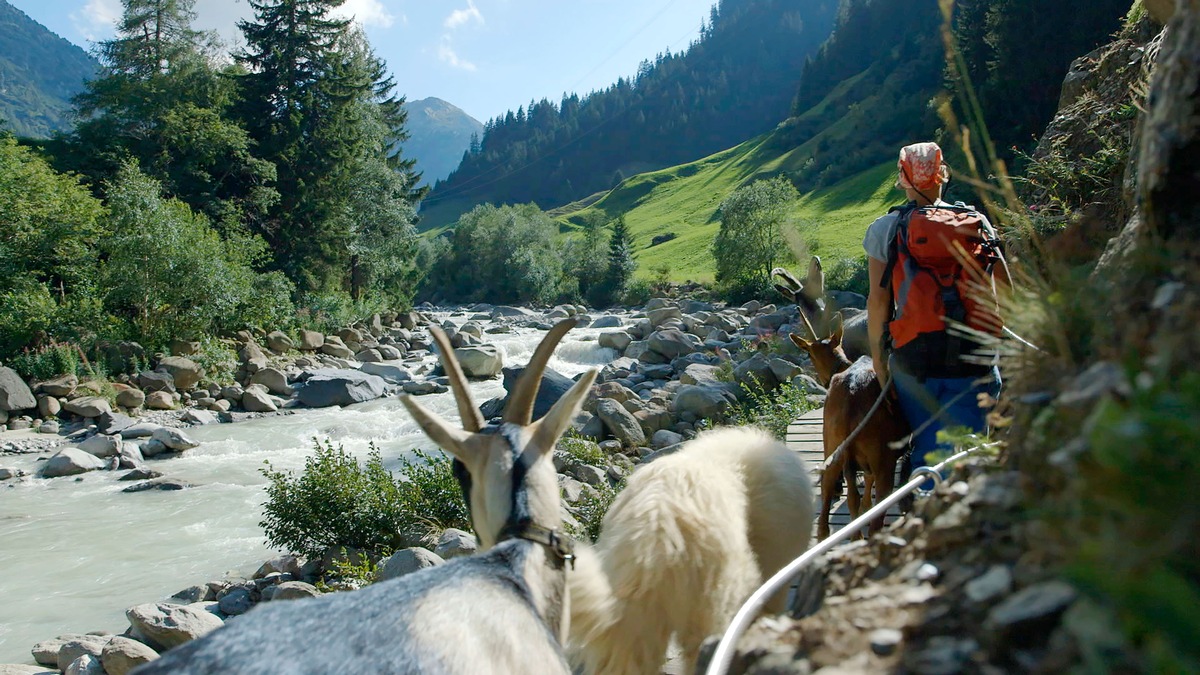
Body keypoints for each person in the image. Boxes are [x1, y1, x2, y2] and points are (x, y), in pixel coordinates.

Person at [862, 142, 1006, 482]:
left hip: (914, 360)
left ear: (903, 180)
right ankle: (969, 512)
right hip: (973, 357)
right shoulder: (977, 222)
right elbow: (1004, 291)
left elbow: (878, 302)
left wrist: (881, 361)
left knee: (928, 445)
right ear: (942, 174)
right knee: (973, 448)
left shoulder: (886, 229)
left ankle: (926, 510)